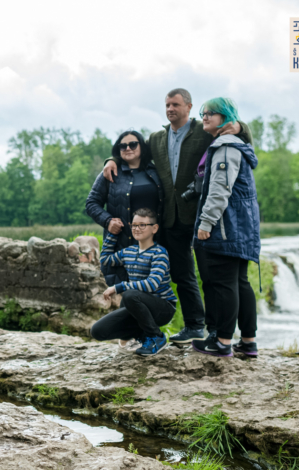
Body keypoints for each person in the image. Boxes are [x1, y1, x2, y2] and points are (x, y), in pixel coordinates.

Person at [102, 88, 252, 344]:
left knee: (210, 277)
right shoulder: (156, 138)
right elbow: (133, 152)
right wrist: (111, 158)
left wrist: (239, 127)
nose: (170, 109)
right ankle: (194, 325)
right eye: (167, 105)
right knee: (182, 276)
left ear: (189, 107)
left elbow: (238, 139)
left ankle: (216, 330)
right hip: (170, 218)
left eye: (176, 104)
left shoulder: (203, 133)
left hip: (201, 218)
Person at [190, 98, 260, 358]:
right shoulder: (235, 144)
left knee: (224, 284)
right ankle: (248, 342)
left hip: (226, 227)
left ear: (225, 118)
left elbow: (220, 189)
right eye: (203, 113)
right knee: (240, 282)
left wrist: (206, 222)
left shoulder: (226, 146)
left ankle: (222, 343)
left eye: (211, 113)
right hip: (242, 227)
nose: (205, 117)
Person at [90, 208, 178, 356]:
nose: (137, 228)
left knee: (129, 295)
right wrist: (112, 234)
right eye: (134, 225)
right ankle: (142, 337)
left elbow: (152, 284)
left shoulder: (159, 253)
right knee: (97, 331)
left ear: (154, 228)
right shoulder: (128, 252)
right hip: (138, 307)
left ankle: (156, 337)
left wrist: (118, 287)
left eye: (142, 225)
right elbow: (105, 260)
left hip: (163, 308)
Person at [85, 131, 164, 286]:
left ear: (142, 146)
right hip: (121, 244)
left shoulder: (156, 172)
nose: (128, 148)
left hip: (152, 244)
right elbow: (91, 203)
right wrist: (107, 221)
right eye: (123, 146)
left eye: (133, 144)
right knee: (121, 295)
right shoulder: (109, 172)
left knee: (150, 293)